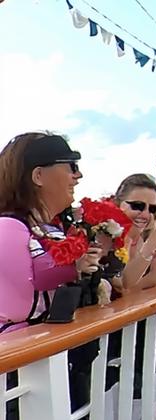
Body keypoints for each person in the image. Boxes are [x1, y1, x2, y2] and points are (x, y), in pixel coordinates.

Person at [0, 133, 102, 332]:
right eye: (72, 166)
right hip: (17, 356)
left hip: (44, 354)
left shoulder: (50, 229)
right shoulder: (8, 228)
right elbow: (18, 308)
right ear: (38, 176)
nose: (78, 175)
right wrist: (75, 268)